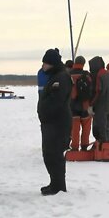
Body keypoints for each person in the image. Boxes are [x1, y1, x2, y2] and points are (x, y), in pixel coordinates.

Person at [37, 48, 72, 196]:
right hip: (51, 123)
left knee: (54, 154)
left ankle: (58, 186)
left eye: (45, 63)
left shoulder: (60, 78)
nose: (43, 66)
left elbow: (56, 102)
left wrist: (45, 114)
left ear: (51, 64)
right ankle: (55, 183)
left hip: (57, 123)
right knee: (50, 154)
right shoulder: (55, 76)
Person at [69, 56, 93, 151]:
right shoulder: (87, 75)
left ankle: (74, 147)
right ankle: (84, 146)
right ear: (83, 64)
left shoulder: (68, 75)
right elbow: (91, 89)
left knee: (75, 128)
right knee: (86, 127)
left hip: (72, 105)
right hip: (85, 105)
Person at [89, 56, 109, 142]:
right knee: (107, 128)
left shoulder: (99, 75)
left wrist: (91, 104)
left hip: (101, 106)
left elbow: (98, 91)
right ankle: (107, 148)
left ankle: (102, 148)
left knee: (100, 129)